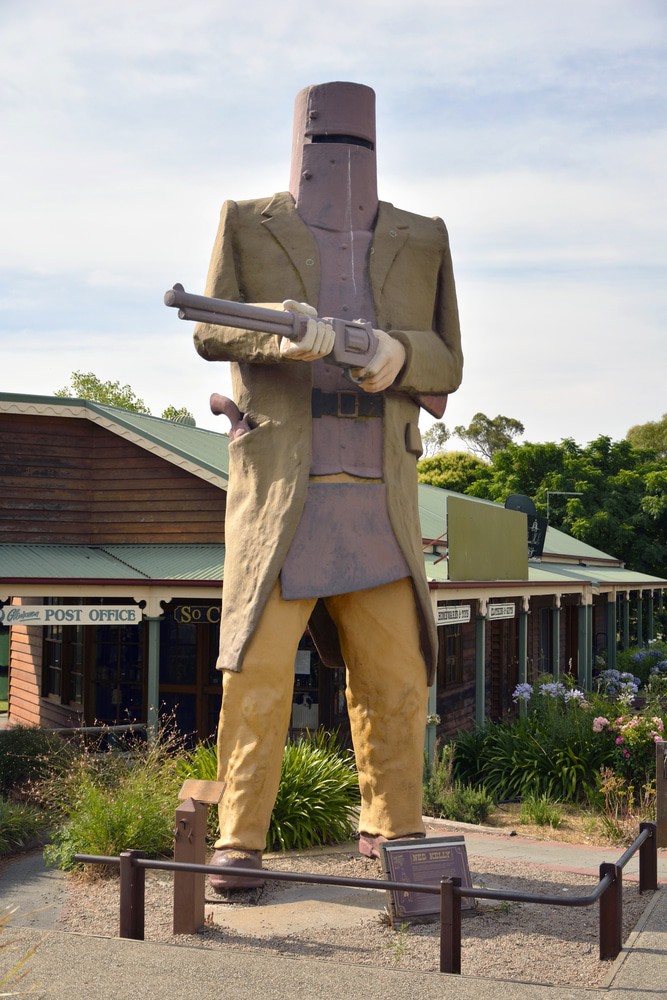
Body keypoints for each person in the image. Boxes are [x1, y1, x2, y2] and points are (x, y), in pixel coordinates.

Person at [193, 81, 463, 888]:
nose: (340, 162)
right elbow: (211, 326)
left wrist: (394, 354)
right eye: (327, 146)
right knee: (254, 673)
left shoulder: (423, 235)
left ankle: (396, 829)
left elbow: (448, 360)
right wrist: (290, 337)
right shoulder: (247, 219)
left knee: (396, 677)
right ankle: (238, 840)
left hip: (379, 499)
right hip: (285, 492)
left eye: (354, 146)